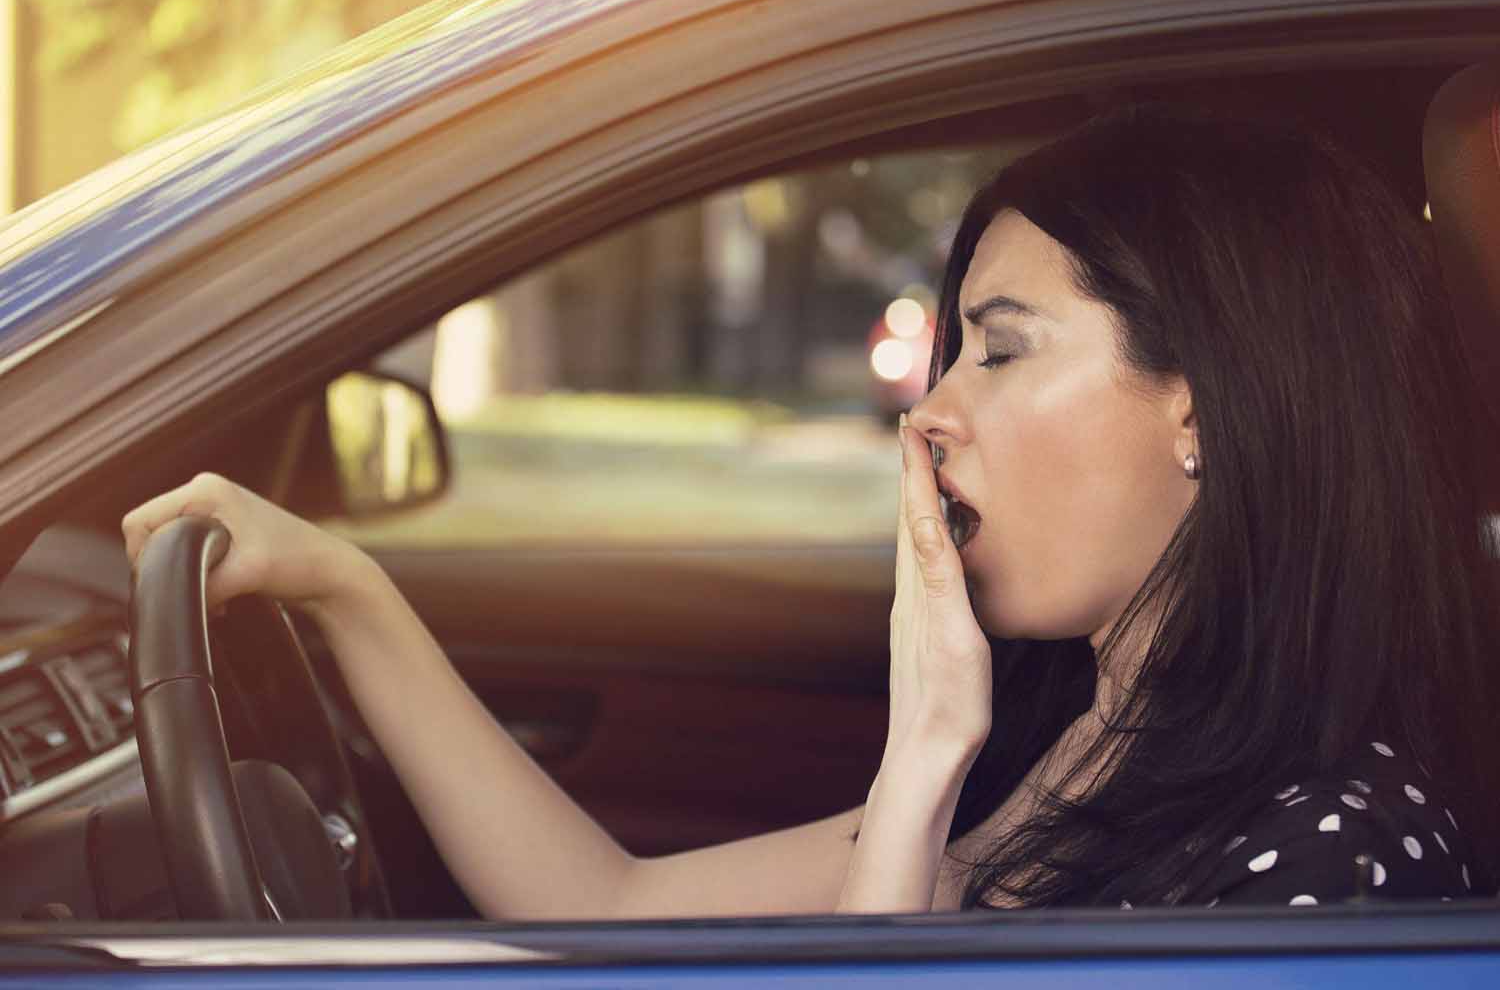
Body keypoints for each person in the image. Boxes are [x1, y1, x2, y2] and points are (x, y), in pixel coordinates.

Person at [122, 104, 1500, 915]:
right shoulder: (1105, 757)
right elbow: (605, 908)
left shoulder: (1332, 855)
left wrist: (920, 770)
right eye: (950, 351)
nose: (933, 413)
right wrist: (345, 587)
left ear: (1203, 405)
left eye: (1003, 349)